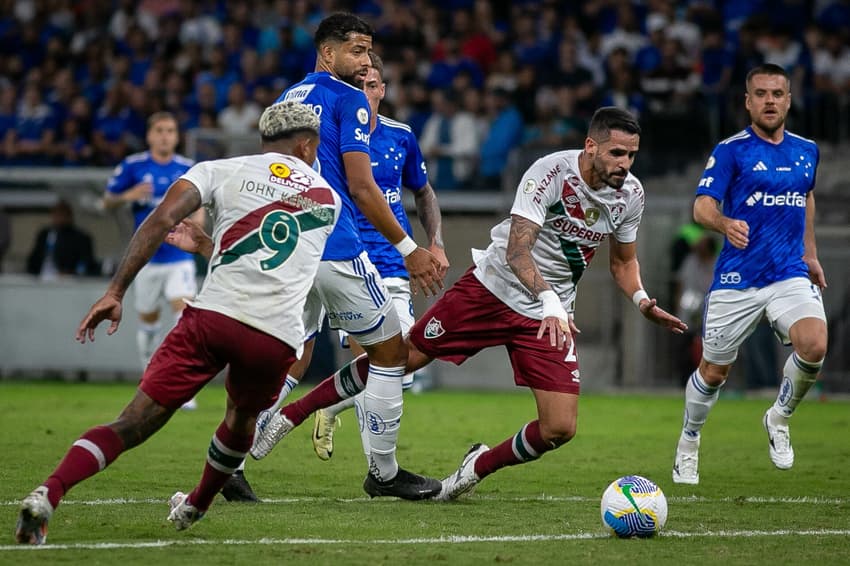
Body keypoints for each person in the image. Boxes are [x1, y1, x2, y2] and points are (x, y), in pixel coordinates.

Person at [252, 106, 687, 500]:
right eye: (616, 153)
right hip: (491, 291)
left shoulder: (631, 194)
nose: (624, 165)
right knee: (398, 358)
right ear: (591, 146)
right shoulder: (550, 172)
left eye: (631, 155)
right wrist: (552, 299)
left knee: (559, 429)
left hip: (545, 316)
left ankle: (475, 467)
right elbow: (518, 253)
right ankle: (289, 417)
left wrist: (643, 300)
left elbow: (623, 263)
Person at [14, 101, 342, 545]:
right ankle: (195, 506)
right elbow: (275, 254)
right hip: (273, 336)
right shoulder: (329, 200)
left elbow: (161, 219)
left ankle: (48, 492)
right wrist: (211, 247)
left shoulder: (219, 169)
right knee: (241, 423)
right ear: (307, 144)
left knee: (131, 423)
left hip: (213, 318)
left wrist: (115, 291)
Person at [196, 51, 448, 502]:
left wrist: (437, 241)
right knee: (387, 357)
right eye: (361, 80)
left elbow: (423, 190)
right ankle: (378, 469)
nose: (366, 92)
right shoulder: (336, 115)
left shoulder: (396, 135)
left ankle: (237, 456)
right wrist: (413, 251)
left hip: (347, 253)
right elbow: (358, 187)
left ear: (383, 90)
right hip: (347, 252)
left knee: (314, 357)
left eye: (373, 85)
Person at [671, 64, 828, 485]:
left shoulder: (806, 150)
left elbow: (806, 197)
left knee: (814, 345)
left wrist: (810, 254)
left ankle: (778, 417)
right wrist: (724, 223)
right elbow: (701, 207)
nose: (770, 100)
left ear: (789, 99)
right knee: (713, 372)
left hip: (789, 272)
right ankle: (689, 441)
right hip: (738, 277)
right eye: (761, 93)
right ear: (748, 101)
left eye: (777, 93)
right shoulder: (731, 150)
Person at [103, 112, 202, 409]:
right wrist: (128, 195)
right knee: (148, 321)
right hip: (145, 260)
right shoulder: (133, 166)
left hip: (178, 259)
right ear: (149, 135)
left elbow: (200, 206)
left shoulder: (187, 169)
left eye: (170, 130)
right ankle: (150, 376)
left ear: (176, 136)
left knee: (184, 316)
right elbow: (107, 201)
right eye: (159, 130)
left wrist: (195, 226)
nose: (164, 136)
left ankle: (183, 385)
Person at [26, 200, 98, 279]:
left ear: (69, 216)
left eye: (62, 215)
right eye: (56, 214)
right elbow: (33, 259)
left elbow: (85, 263)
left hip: (67, 280)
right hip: (41, 278)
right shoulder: (44, 234)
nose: (59, 218)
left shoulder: (81, 238)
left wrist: (71, 272)